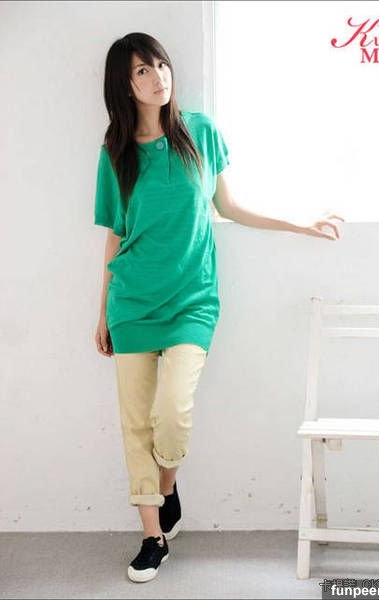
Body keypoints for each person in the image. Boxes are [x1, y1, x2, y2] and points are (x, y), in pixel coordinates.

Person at [93, 32, 344, 584]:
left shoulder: (200, 132)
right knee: (136, 425)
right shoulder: (115, 154)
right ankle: (152, 537)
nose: (158, 77)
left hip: (191, 302)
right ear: (124, 85)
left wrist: (300, 224)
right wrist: (102, 310)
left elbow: (229, 206)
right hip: (132, 305)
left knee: (171, 415)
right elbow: (115, 234)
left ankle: (166, 490)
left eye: (160, 64)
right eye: (142, 71)